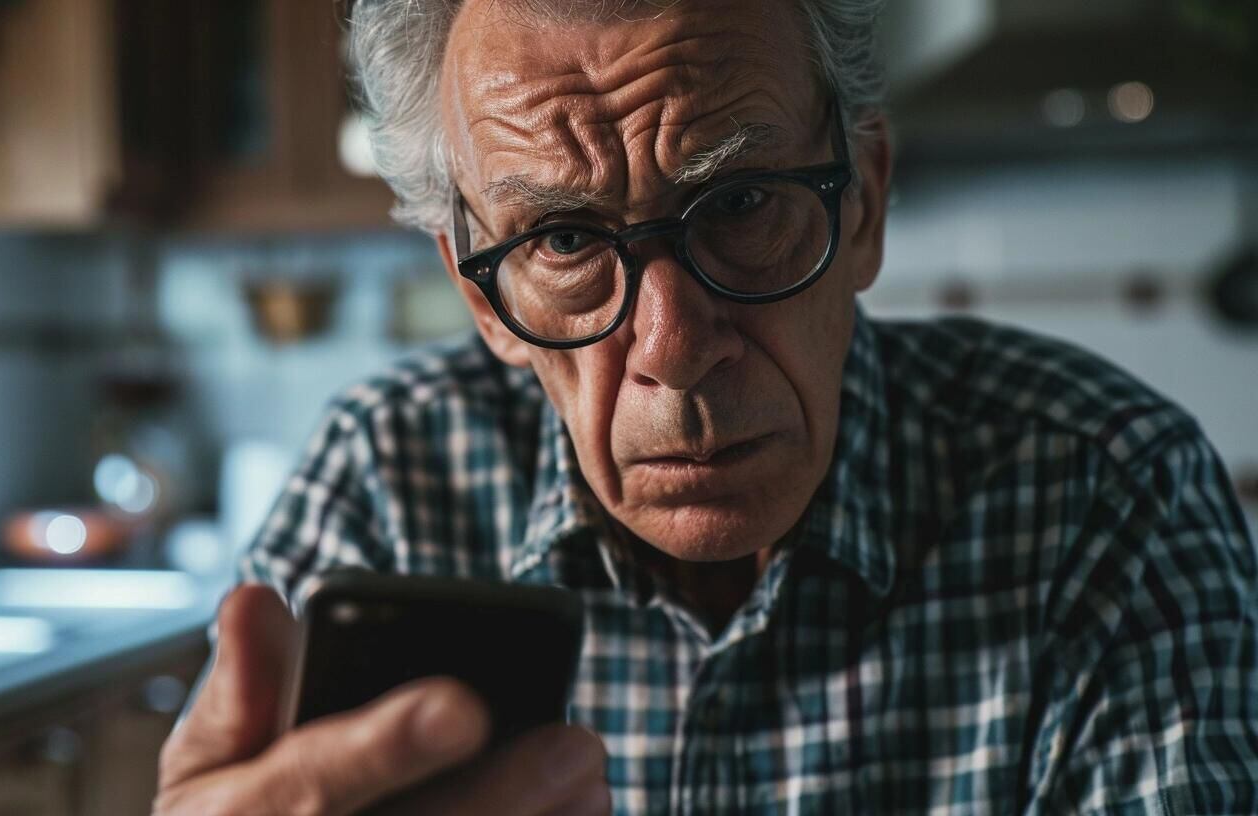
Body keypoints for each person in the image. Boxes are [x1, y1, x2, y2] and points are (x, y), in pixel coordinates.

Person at [154, 0, 1258, 813]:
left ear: (863, 201)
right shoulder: (389, 476)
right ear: (476, 295)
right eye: (566, 241)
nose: (673, 349)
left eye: (737, 203)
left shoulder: (1107, 494)